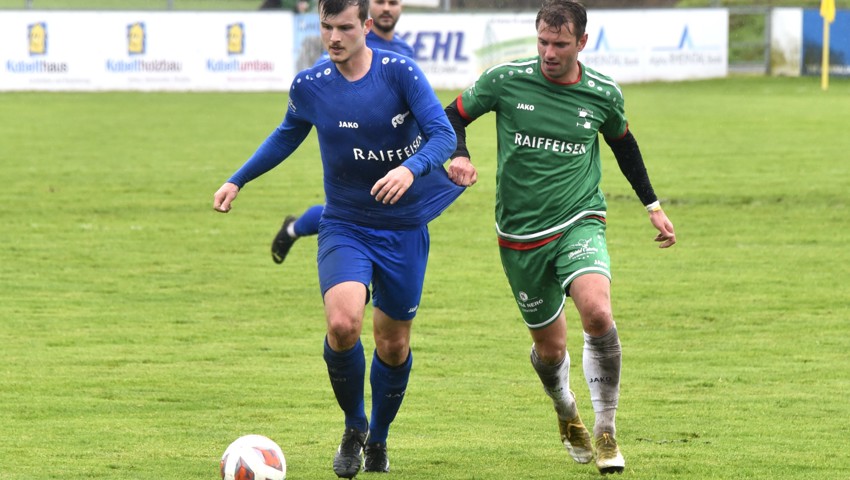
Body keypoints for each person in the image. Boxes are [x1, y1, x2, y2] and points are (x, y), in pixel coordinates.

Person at [213, 0, 474, 477]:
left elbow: (441, 136)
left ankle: (379, 439)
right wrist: (238, 179)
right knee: (343, 324)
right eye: (327, 27)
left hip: (403, 228)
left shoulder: (400, 73)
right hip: (346, 224)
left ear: (366, 27)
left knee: (392, 345)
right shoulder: (311, 84)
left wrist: (410, 168)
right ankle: (354, 426)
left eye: (345, 27)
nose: (334, 37)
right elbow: (286, 134)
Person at [443, 0, 676, 475]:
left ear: (582, 43)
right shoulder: (505, 80)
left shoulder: (603, 94)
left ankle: (607, 429)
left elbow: (623, 144)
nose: (549, 52)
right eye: (543, 42)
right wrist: (460, 154)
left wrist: (652, 205)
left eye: (560, 44)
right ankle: (566, 411)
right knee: (550, 351)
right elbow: (452, 114)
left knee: (597, 310)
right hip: (519, 235)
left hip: (580, 218)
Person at [270, 0, 414, 265]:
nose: (386, 9)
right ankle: (295, 232)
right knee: (346, 216)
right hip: (353, 154)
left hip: (393, 157)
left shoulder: (404, 53)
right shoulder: (344, 49)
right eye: (379, 2)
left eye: (392, 2)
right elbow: (324, 87)